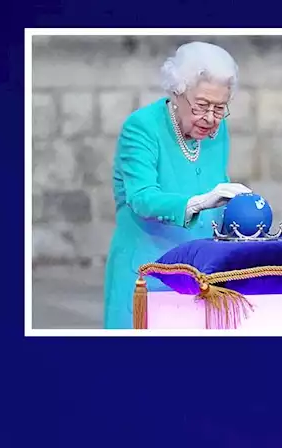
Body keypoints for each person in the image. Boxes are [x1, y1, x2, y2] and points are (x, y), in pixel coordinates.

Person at [103, 41, 253, 328]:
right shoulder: (142, 127)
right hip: (147, 275)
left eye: (220, 108)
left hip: (202, 279)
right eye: (201, 106)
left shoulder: (217, 133)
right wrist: (199, 202)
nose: (210, 118)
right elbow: (142, 197)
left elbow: (217, 193)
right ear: (177, 93)